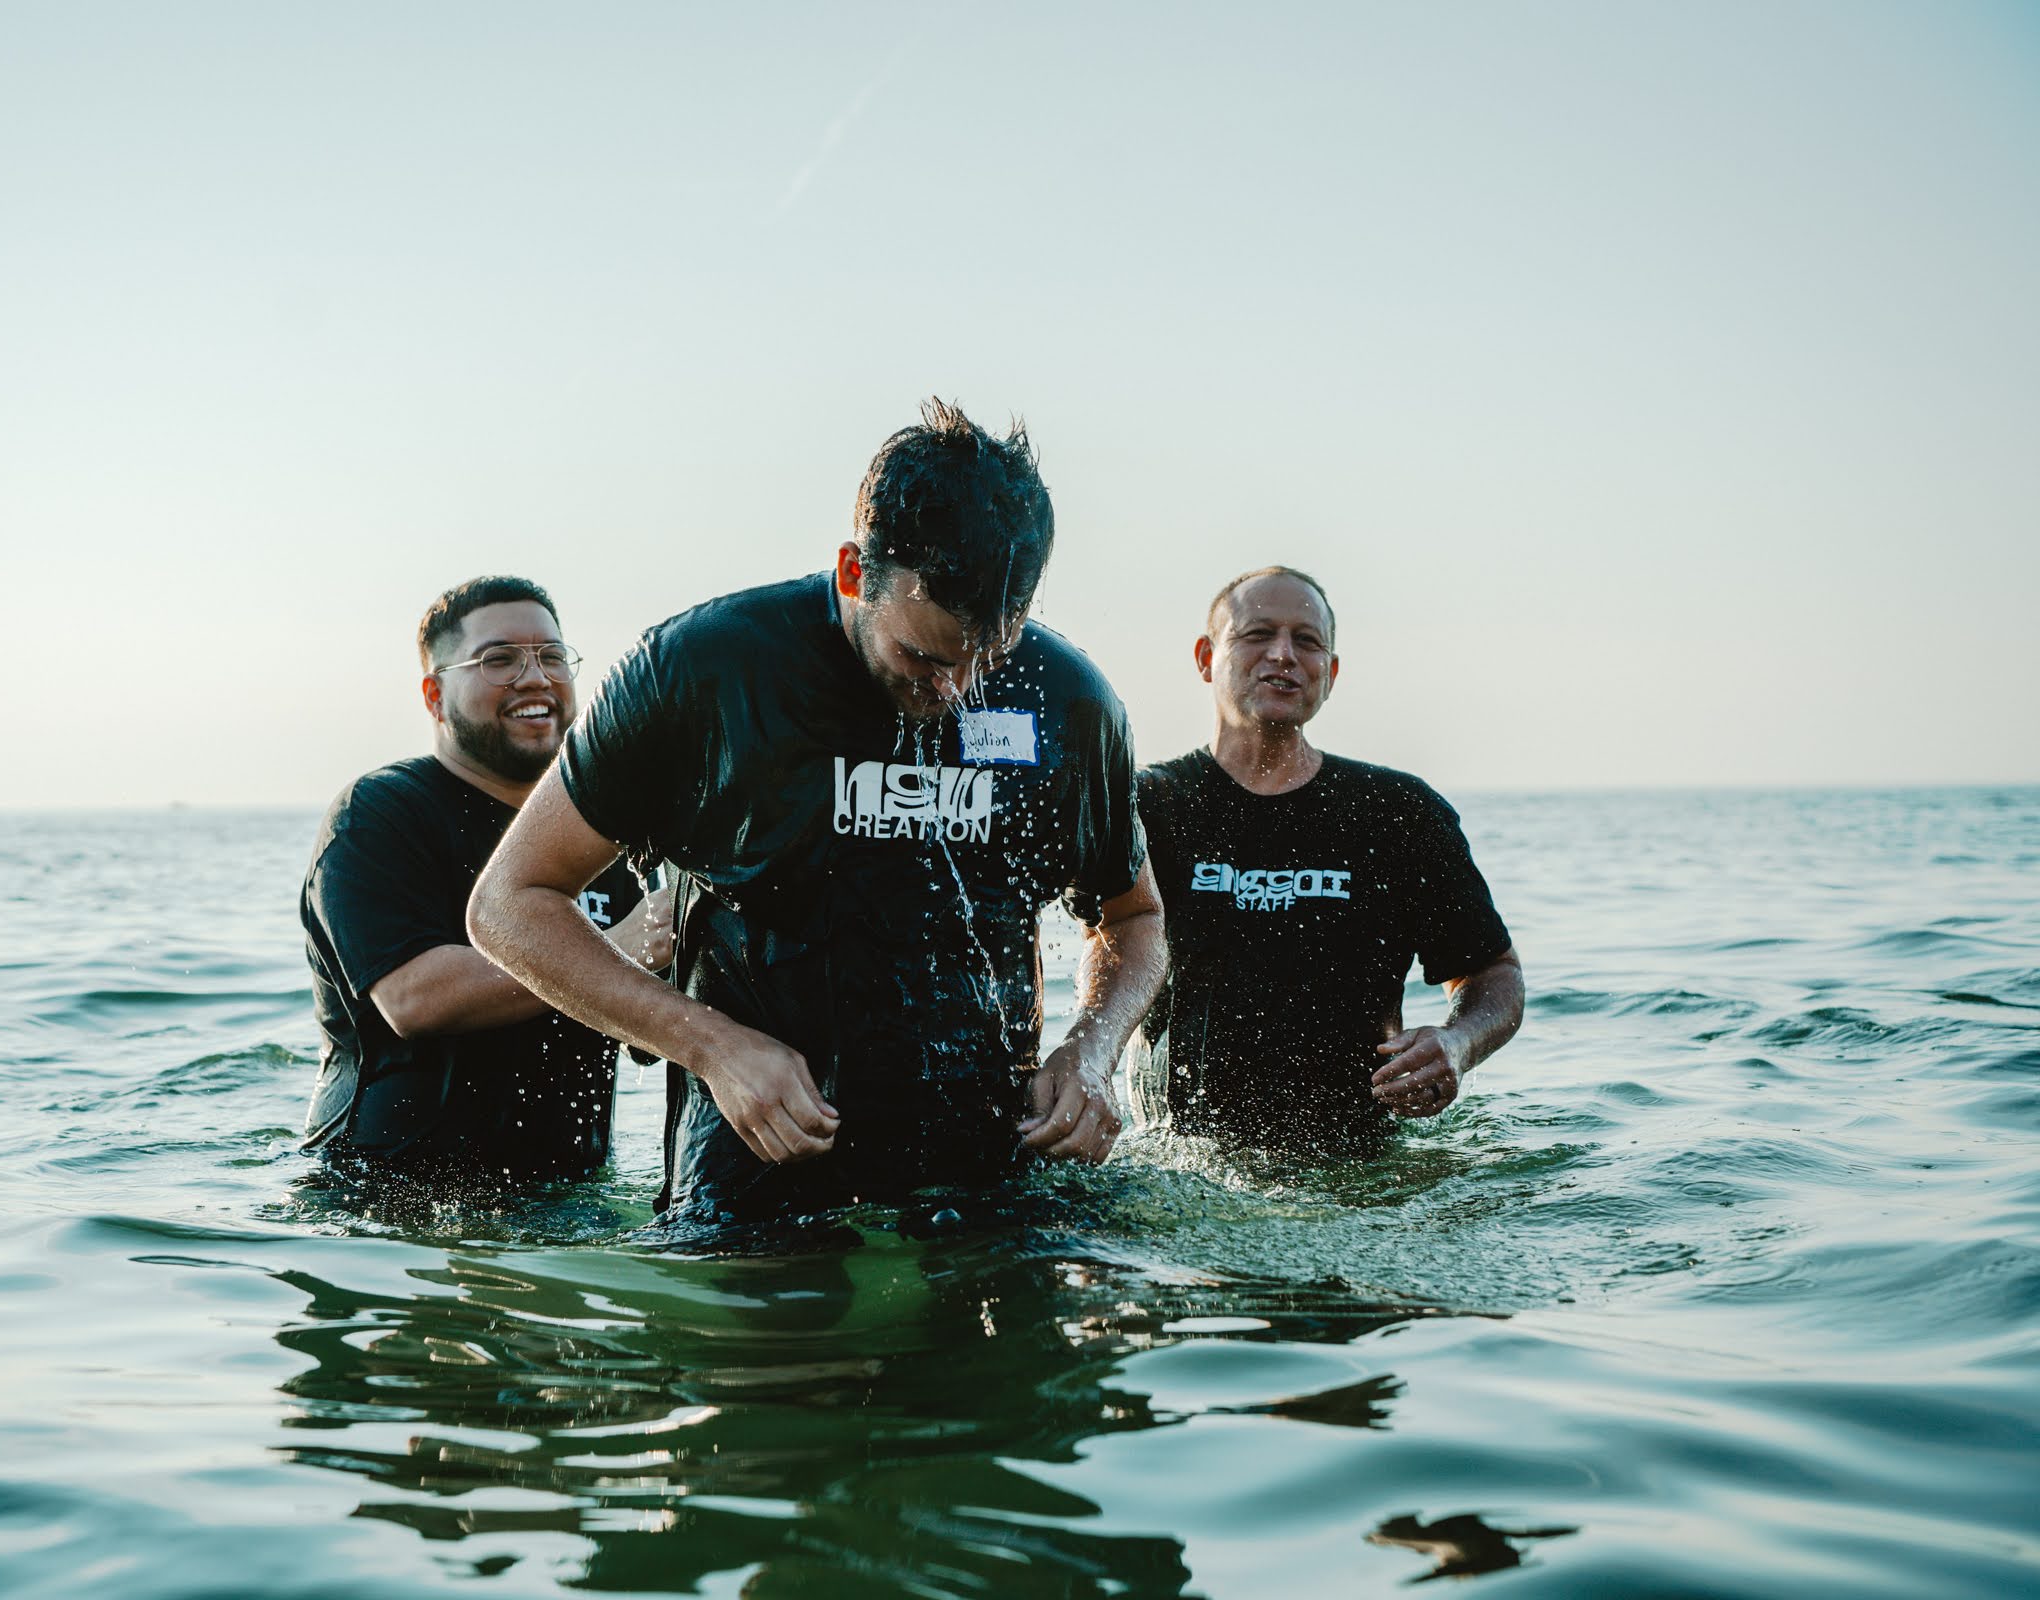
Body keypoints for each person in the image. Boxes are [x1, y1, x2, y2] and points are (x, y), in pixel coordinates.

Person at [467, 400, 1167, 1223]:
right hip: (759, 1150)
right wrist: (709, 1046)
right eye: (922, 657)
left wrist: (1091, 1050)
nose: (954, 691)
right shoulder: (700, 672)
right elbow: (508, 905)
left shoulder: (1071, 702)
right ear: (850, 573)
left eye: (990, 657)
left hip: (989, 1161)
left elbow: (1135, 917)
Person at [1133, 566, 1524, 1157]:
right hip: (1177, 1164)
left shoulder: (1399, 813)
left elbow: (1493, 972)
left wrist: (1456, 1043)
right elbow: (1101, 948)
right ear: (1206, 657)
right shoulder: (1146, 806)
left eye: (1307, 641)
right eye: (1257, 634)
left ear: (1331, 673)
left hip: (1358, 1168)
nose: (1283, 655)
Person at [299, 575, 672, 1185]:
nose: (535, 677)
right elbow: (414, 998)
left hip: (569, 1201)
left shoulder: (607, 828)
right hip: (388, 1204)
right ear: (434, 695)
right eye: (499, 660)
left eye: (553, 656)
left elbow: (646, 1039)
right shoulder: (379, 815)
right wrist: (618, 952)